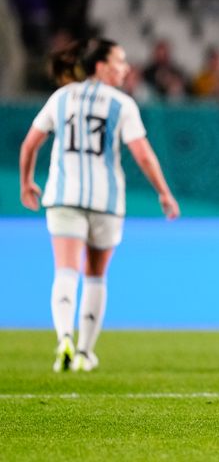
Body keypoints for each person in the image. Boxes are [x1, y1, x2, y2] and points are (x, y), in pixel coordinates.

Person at [19, 38, 180, 373]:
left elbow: (30, 143)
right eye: (119, 61)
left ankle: (63, 336)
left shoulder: (61, 98)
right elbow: (143, 155)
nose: (125, 68)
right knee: (95, 277)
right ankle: (83, 353)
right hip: (105, 202)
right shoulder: (122, 104)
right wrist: (164, 192)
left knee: (65, 270)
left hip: (63, 197)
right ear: (101, 66)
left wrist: (26, 181)